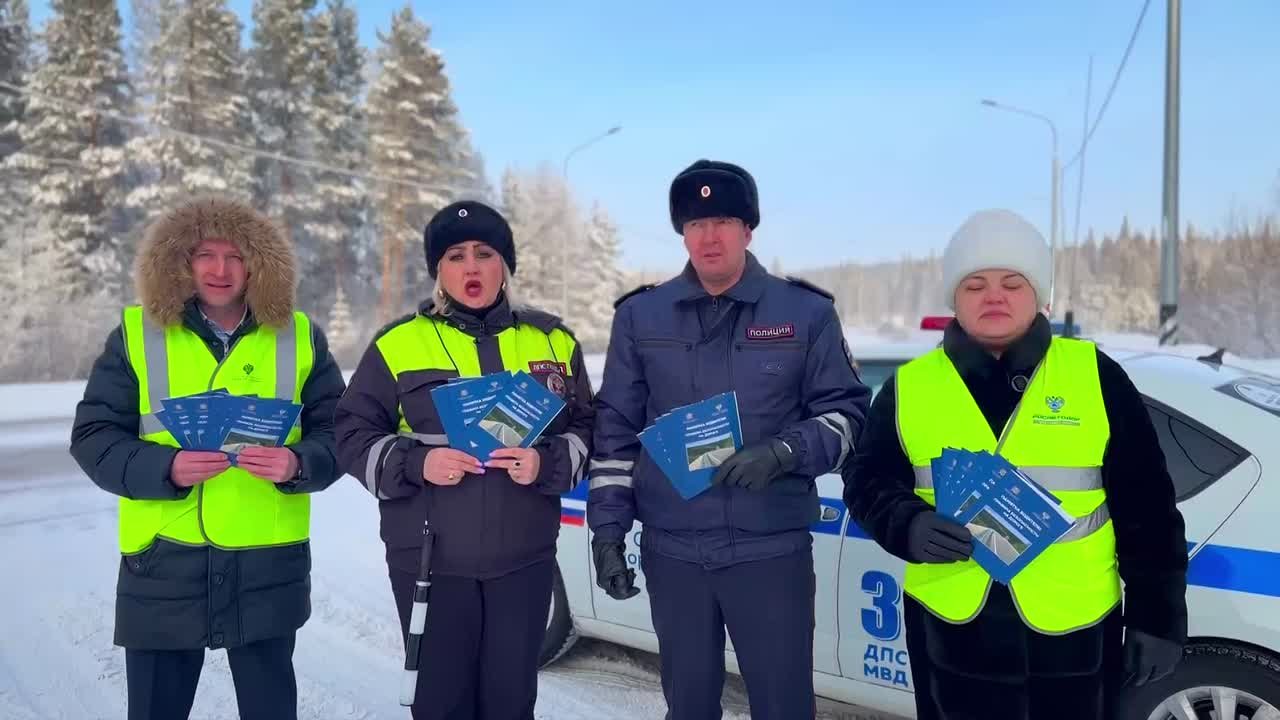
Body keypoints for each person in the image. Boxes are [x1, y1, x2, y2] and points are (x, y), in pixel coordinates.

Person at [842, 209, 1188, 720]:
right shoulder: (910, 386)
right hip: (952, 633)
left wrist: (1156, 618)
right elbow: (866, 480)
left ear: (1038, 294)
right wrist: (907, 524)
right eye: (975, 285)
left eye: (1012, 283)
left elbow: (1149, 506)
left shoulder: (1094, 376)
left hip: (1075, 636)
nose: (994, 296)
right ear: (955, 297)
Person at [587, 159, 872, 719]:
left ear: (748, 230)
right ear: (682, 234)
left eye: (722, 221)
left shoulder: (807, 313)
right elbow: (615, 434)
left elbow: (847, 416)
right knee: (689, 706)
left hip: (771, 551)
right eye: (696, 223)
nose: (709, 236)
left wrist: (786, 452)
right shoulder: (641, 317)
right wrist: (608, 532)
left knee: (784, 706)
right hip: (674, 553)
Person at [68, 196, 347, 720]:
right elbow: (93, 436)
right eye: (206, 255)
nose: (221, 270)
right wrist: (165, 468)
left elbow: (340, 431)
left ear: (258, 265)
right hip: (162, 563)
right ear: (181, 260)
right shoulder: (136, 335)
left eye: (236, 256)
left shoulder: (301, 337)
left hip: (267, 564)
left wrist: (298, 463)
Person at [333, 200, 595, 720]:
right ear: (439, 270)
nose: (470, 267)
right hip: (431, 562)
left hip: (524, 562)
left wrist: (546, 464)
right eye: (455, 256)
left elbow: (588, 429)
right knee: (441, 705)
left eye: (484, 253)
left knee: (510, 704)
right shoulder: (397, 344)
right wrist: (416, 464)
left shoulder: (553, 341)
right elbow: (351, 435)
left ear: (505, 265)